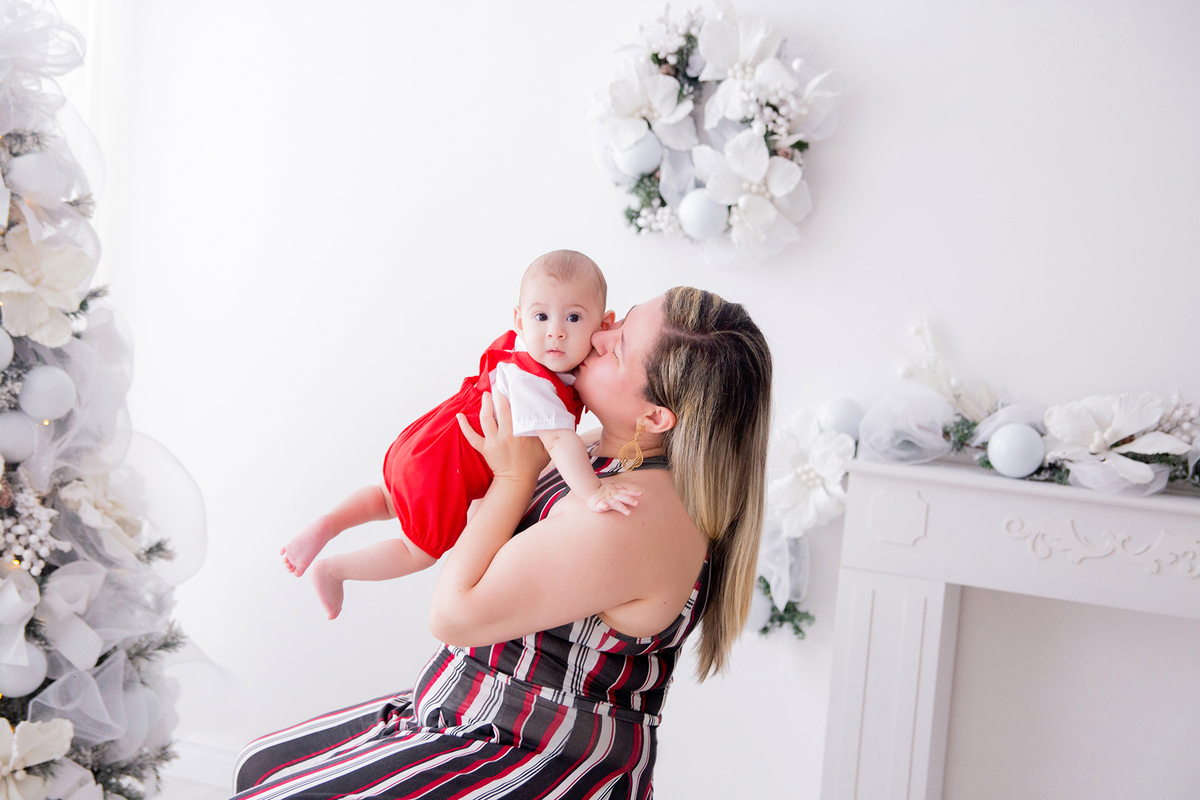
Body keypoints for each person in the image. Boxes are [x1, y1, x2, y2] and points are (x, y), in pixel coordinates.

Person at [233, 287, 772, 799]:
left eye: (619, 347)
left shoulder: (629, 517)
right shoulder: (598, 456)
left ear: (656, 417)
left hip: (530, 752)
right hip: (463, 706)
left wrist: (514, 479)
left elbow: (453, 615)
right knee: (260, 764)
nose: (601, 333)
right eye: (620, 319)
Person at [279, 250, 641, 619]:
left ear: (603, 323)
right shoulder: (538, 386)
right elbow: (560, 441)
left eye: (574, 317)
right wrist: (594, 492)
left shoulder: (518, 353)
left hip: (422, 442)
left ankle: (329, 522)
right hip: (444, 469)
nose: (555, 331)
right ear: (519, 319)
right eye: (541, 316)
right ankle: (335, 570)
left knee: (387, 499)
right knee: (417, 552)